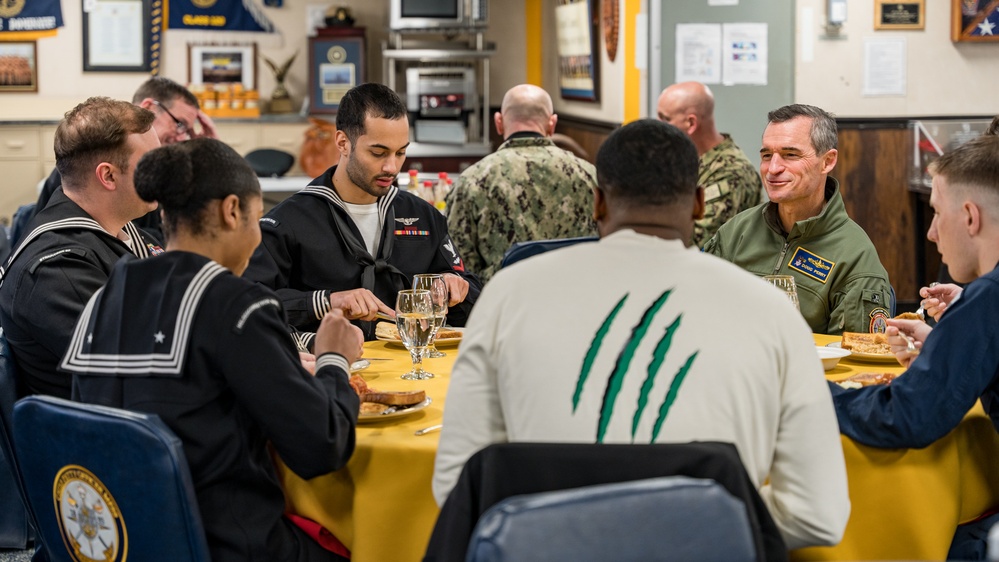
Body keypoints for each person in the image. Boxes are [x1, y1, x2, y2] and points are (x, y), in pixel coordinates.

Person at [432, 119, 850, 550]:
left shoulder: (509, 293)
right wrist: (698, 514)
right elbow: (817, 517)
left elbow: (457, 487)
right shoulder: (774, 313)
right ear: (699, 205)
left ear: (596, 203)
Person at [63, 138, 361, 562]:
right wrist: (334, 358)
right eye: (257, 219)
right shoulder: (237, 304)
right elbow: (322, 447)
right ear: (232, 210)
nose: (258, 239)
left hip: (119, 542)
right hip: (219, 545)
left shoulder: (105, 296)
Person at [830, 132, 999, 560]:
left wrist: (812, 394)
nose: (930, 233)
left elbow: (907, 417)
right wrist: (949, 345)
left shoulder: (987, 298)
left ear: (970, 217)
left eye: (937, 214)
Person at [244, 83, 480, 339]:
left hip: (416, 372)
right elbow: (249, 305)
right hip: (332, 371)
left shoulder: (425, 217)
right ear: (343, 143)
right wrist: (327, 302)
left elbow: (472, 305)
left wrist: (458, 288)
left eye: (401, 153)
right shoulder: (286, 224)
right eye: (378, 153)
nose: (392, 166)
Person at [0, 97, 162, 399]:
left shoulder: (121, 229)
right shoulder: (56, 269)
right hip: (102, 435)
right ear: (108, 175)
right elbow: (141, 368)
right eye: (152, 164)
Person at [703, 104, 892, 335]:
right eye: (766, 155)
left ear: (827, 161)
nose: (773, 168)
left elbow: (855, 362)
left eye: (790, 155)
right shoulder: (737, 231)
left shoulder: (855, 257)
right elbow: (697, 310)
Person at [26, 76, 218, 243]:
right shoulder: (82, 164)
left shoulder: (158, 164)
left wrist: (201, 155)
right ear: (150, 107)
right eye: (179, 124)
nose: (181, 136)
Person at [445, 84, 598, 283]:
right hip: (578, 302)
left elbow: (458, 267)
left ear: (498, 122)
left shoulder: (473, 180)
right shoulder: (590, 176)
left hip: (502, 306)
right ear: (552, 123)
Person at [657, 82, 763, 248]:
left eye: (665, 119)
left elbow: (697, 242)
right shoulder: (680, 158)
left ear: (691, 123)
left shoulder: (733, 172)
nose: (658, 125)